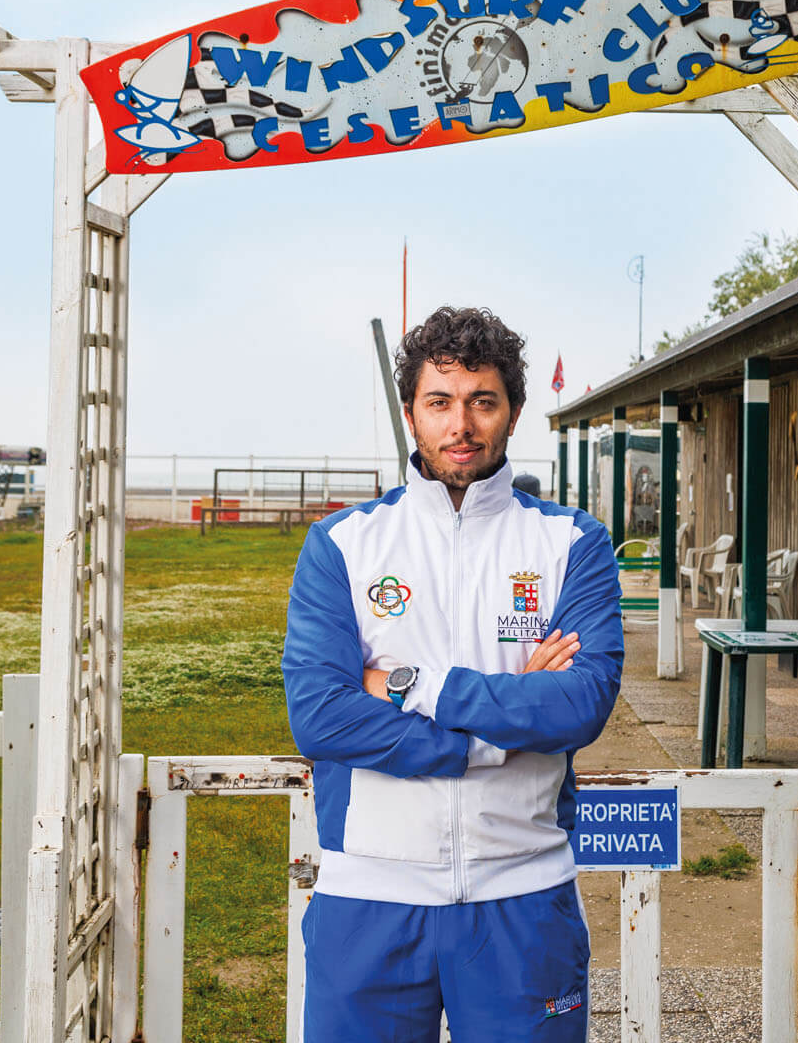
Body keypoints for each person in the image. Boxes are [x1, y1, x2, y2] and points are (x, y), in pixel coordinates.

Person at [283, 305, 623, 1042]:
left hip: (523, 894)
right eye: (439, 402)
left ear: (514, 412)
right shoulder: (342, 545)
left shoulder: (573, 543)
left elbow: (580, 703)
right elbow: (319, 714)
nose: (460, 424)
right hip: (367, 895)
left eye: (482, 401)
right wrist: (491, 738)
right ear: (411, 414)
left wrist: (409, 685)